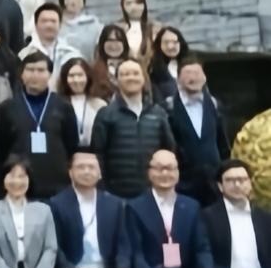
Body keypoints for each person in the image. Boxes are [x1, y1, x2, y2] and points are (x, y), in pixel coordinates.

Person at [0, 52, 79, 200]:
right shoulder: (7, 108)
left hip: (57, 184)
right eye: (30, 70)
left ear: (50, 74)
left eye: (40, 70)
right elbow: (0, 149)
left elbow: (71, 145)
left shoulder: (63, 106)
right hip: (19, 184)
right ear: (21, 74)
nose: (35, 75)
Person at [90, 59, 175, 199]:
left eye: (135, 73)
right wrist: (103, 189)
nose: (131, 78)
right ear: (116, 80)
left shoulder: (158, 113)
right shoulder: (106, 114)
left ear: (143, 78)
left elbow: (169, 150)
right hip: (116, 195)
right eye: (125, 74)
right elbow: (97, 154)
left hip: (152, 194)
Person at [166, 57, 230, 206]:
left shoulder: (215, 105)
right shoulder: (168, 108)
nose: (193, 78)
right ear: (178, 79)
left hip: (214, 184)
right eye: (188, 73)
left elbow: (223, 144)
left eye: (197, 73)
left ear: (204, 77)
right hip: (182, 184)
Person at [22, 3, 82, 87]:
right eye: (44, 21)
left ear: (60, 25)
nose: (49, 25)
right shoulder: (24, 54)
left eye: (53, 21)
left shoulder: (72, 54)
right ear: (36, 25)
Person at [57, 58, 107, 146]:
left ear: (88, 77)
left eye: (80, 75)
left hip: (94, 152)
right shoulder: (57, 103)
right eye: (71, 76)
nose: (76, 80)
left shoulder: (100, 104)